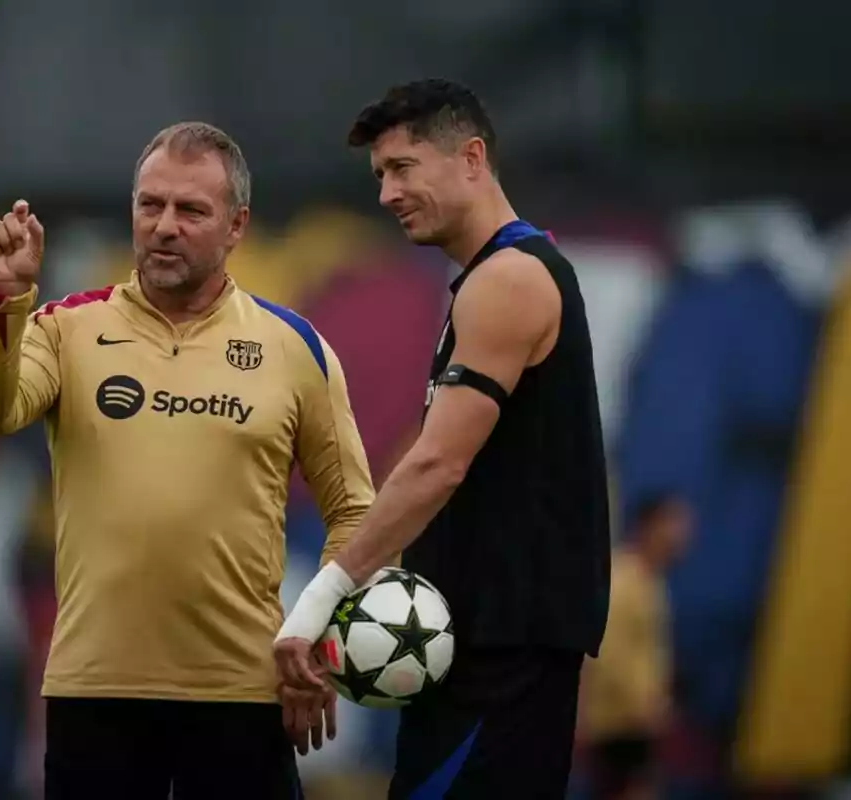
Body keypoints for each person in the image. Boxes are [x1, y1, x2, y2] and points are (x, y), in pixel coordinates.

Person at [0, 121, 375, 800]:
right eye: (150, 206)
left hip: (244, 697)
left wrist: (317, 636)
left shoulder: (293, 346)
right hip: (97, 696)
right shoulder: (68, 328)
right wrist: (4, 301)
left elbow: (356, 511)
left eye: (190, 210)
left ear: (236, 226)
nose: (164, 227)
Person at [274, 78, 613, 798]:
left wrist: (319, 601)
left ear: (471, 158)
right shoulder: (488, 281)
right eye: (378, 177)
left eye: (402, 168)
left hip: (502, 659)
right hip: (480, 652)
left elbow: (437, 465)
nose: (386, 195)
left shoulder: (511, 279)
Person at [579, 493, 692, 800]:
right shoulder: (623, 579)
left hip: (636, 722)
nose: (684, 532)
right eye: (674, 522)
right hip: (617, 723)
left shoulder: (652, 581)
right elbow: (608, 650)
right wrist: (644, 703)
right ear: (648, 526)